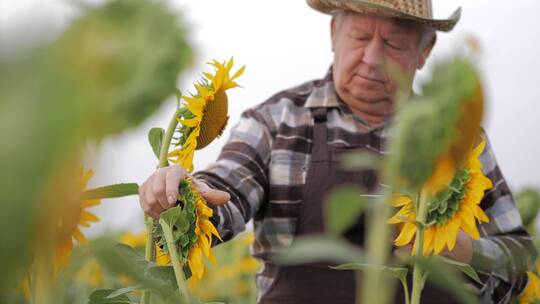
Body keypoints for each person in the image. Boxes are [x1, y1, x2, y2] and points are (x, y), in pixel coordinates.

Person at [138, 0, 536, 303]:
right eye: (360, 37)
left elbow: (520, 259)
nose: (372, 59)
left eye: (394, 43)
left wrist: (465, 252)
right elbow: (227, 188)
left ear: (425, 51)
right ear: (333, 34)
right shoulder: (277, 121)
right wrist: (186, 195)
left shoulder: (460, 140)